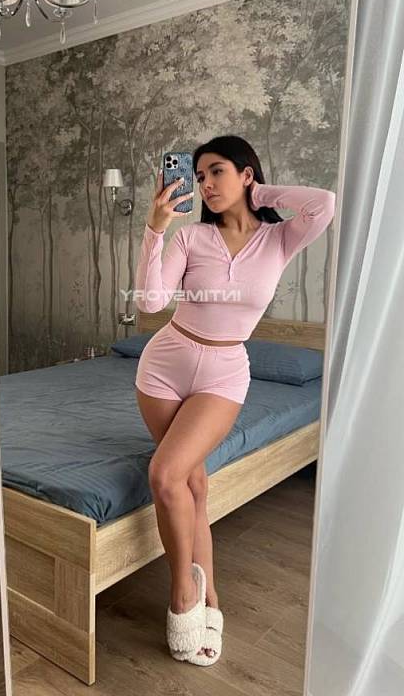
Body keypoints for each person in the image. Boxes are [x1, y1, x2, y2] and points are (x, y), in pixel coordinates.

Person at [133, 135, 336, 665]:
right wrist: (156, 228)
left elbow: (324, 203)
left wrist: (259, 194)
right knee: (192, 482)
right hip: (164, 368)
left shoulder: (280, 239)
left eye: (216, 171)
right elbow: (151, 302)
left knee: (164, 475)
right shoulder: (191, 237)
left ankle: (182, 595)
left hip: (224, 374)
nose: (204, 184)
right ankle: (208, 597)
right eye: (199, 176)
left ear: (246, 174)